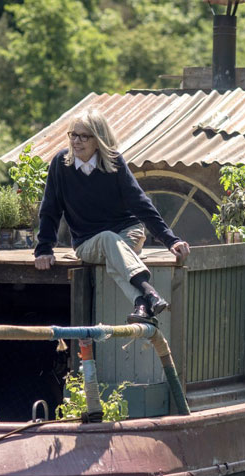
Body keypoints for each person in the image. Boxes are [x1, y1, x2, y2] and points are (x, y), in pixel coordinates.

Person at [33, 109, 190, 324]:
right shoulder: (61, 164)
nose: (76, 141)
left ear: (98, 140)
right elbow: (50, 209)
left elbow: (140, 203)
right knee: (108, 240)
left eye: (83, 136)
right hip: (87, 243)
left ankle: (141, 304)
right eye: (72, 135)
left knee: (114, 254)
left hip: (128, 232)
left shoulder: (114, 162)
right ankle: (149, 291)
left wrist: (170, 240)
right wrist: (43, 249)